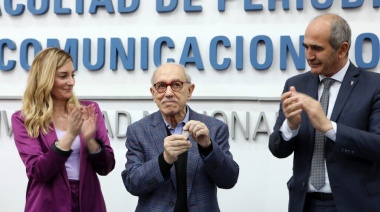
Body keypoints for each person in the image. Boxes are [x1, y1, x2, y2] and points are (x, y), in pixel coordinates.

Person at [269, 13, 380, 212]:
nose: (309, 55)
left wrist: (329, 128)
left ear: (342, 49)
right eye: (306, 47)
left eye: (317, 48)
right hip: (304, 204)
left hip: (354, 204)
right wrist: (290, 127)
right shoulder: (295, 85)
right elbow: (277, 149)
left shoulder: (374, 86)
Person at [121, 62, 239, 211]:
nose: (169, 93)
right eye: (161, 86)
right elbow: (132, 184)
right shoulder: (138, 131)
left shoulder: (214, 128)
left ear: (189, 91)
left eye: (176, 85)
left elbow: (229, 180)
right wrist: (164, 160)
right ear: (153, 94)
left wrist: (208, 147)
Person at [11, 47, 115, 212]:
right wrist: (71, 135)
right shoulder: (24, 119)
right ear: (45, 78)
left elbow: (106, 167)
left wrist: (90, 140)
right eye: (63, 76)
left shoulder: (89, 109)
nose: (71, 82)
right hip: (46, 204)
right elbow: (38, 171)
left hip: (88, 202)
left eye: (73, 75)